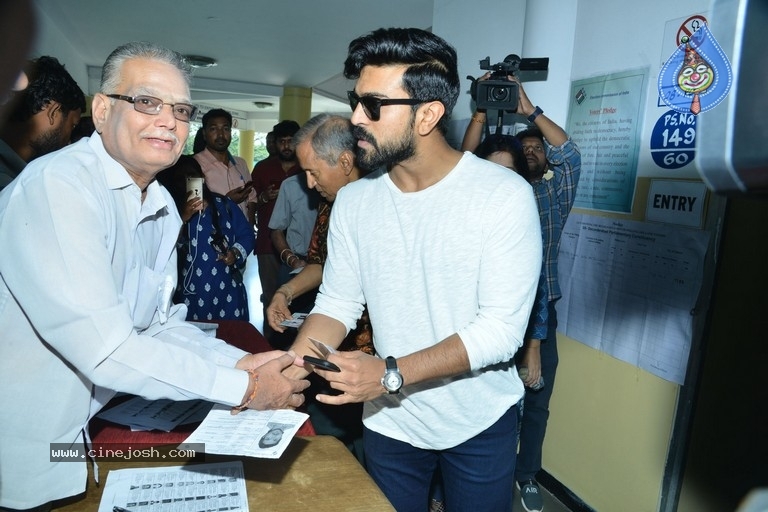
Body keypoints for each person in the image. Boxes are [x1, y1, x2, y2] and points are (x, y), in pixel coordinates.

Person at [0, 41, 309, 511]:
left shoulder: (162, 205)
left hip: (86, 435)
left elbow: (157, 325)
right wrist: (245, 389)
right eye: (147, 102)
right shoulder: (58, 187)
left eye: (181, 109)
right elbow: (107, 350)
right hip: (27, 443)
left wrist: (239, 363)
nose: (169, 120)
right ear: (102, 110)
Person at [284, 28, 542, 511]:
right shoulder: (356, 201)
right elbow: (338, 302)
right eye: (355, 101)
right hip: (390, 422)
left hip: (479, 419)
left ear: (428, 114)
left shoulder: (502, 196)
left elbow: (501, 331)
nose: (356, 119)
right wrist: (288, 367)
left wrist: (389, 374)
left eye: (374, 106)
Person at [463, 77, 582, 512]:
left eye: (537, 149)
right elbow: (464, 157)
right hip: (481, 316)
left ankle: (526, 475)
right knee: (481, 402)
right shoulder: (476, 198)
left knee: (535, 403)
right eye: (523, 148)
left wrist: (528, 109)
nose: (531, 152)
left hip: (540, 316)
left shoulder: (547, 196)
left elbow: (569, 154)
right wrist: (481, 108)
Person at [267, 113, 373, 463]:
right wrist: (286, 292)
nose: (309, 185)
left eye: (313, 172)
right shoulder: (331, 205)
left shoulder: (385, 202)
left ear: (345, 161)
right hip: (332, 341)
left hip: (377, 359)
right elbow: (321, 263)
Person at [156, 155, 254, 321]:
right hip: (190, 294)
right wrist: (183, 218)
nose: (189, 182)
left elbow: (247, 235)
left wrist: (235, 253)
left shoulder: (224, 205)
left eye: (193, 177)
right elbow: (161, 247)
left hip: (228, 291)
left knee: (231, 339)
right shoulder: (168, 210)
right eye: (182, 179)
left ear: (201, 178)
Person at [0, 55, 85, 191]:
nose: (69, 141)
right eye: (72, 125)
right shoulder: (9, 189)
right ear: (54, 112)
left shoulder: (19, 176)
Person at [250, 119, 302, 338]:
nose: (287, 146)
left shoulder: (306, 167)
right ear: (276, 143)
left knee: (300, 295)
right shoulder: (263, 168)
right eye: (282, 141)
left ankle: (295, 341)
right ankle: (271, 339)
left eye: (291, 141)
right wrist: (263, 198)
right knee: (271, 294)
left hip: (302, 246)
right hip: (268, 244)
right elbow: (251, 202)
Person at [193, 108, 257, 223]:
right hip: (214, 236)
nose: (221, 135)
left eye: (225, 129)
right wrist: (227, 201)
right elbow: (194, 208)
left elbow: (252, 197)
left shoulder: (240, 163)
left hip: (243, 235)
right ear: (204, 133)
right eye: (213, 129)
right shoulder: (194, 165)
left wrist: (250, 225)